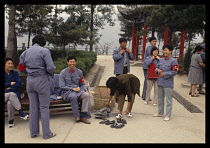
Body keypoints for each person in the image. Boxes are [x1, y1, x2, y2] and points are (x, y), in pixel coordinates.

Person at [19, 35, 56, 139]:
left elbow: (21, 67)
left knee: (33, 107)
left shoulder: (25, 52)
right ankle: (47, 134)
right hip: (41, 79)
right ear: (43, 42)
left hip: (30, 81)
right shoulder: (44, 51)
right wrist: (49, 74)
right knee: (44, 107)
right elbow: (51, 67)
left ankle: (33, 132)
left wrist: (29, 72)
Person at [59, 56, 91, 124]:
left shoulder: (79, 72)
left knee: (86, 95)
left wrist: (85, 89)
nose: (72, 63)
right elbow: (62, 86)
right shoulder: (63, 73)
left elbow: (82, 84)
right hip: (67, 92)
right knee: (73, 96)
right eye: (71, 62)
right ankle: (76, 116)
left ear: (76, 62)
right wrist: (72, 88)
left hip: (78, 91)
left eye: (73, 62)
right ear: (67, 62)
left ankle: (83, 116)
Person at [153, 44, 179, 121]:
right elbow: (156, 67)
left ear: (171, 51)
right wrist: (157, 71)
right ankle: (160, 112)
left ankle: (168, 115)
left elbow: (174, 72)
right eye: (164, 50)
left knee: (168, 100)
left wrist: (164, 74)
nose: (165, 52)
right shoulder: (161, 60)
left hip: (168, 83)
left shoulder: (174, 61)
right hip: (160, 82)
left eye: (166, 50)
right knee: (160, 99)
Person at [5, 57, 29, 128]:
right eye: (8, 64)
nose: (10, 65)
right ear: (5, 64)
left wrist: (9, 87)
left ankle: (11, 121)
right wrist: (10, 84)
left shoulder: (15, 73)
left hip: (14, 94)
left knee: (10, 102)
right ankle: (21, 112)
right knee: (11, 94)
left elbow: (19, 83)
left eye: (11, 64)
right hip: (5, 95)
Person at [112, 38, 134, 103]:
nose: (125, 44)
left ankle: (123, 97)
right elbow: (114, 58)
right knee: (118, 84)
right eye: (123, 42)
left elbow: (132, 57)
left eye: (125, 42)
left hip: (125, 68)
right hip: (119, 69)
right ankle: (117, 97)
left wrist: (129, 52)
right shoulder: (116, 50)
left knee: (125, 83)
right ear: (120, 43)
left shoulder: (127, 51)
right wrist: (120, 53)